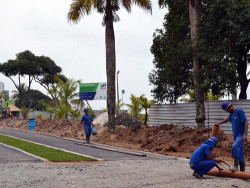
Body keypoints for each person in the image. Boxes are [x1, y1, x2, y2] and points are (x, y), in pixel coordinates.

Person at [214, 101, 248, 172]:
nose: (227, 112)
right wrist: (219, 123)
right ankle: (242, 172)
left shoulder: (239, 111)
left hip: (240, 135)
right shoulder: (231, 114)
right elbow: (227, 120)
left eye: (226, 110)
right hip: (235, 136)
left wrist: (245, 134)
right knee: (240, 153)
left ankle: (235, 165)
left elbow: (246, 122)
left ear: (229, 107)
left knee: (234, 146)